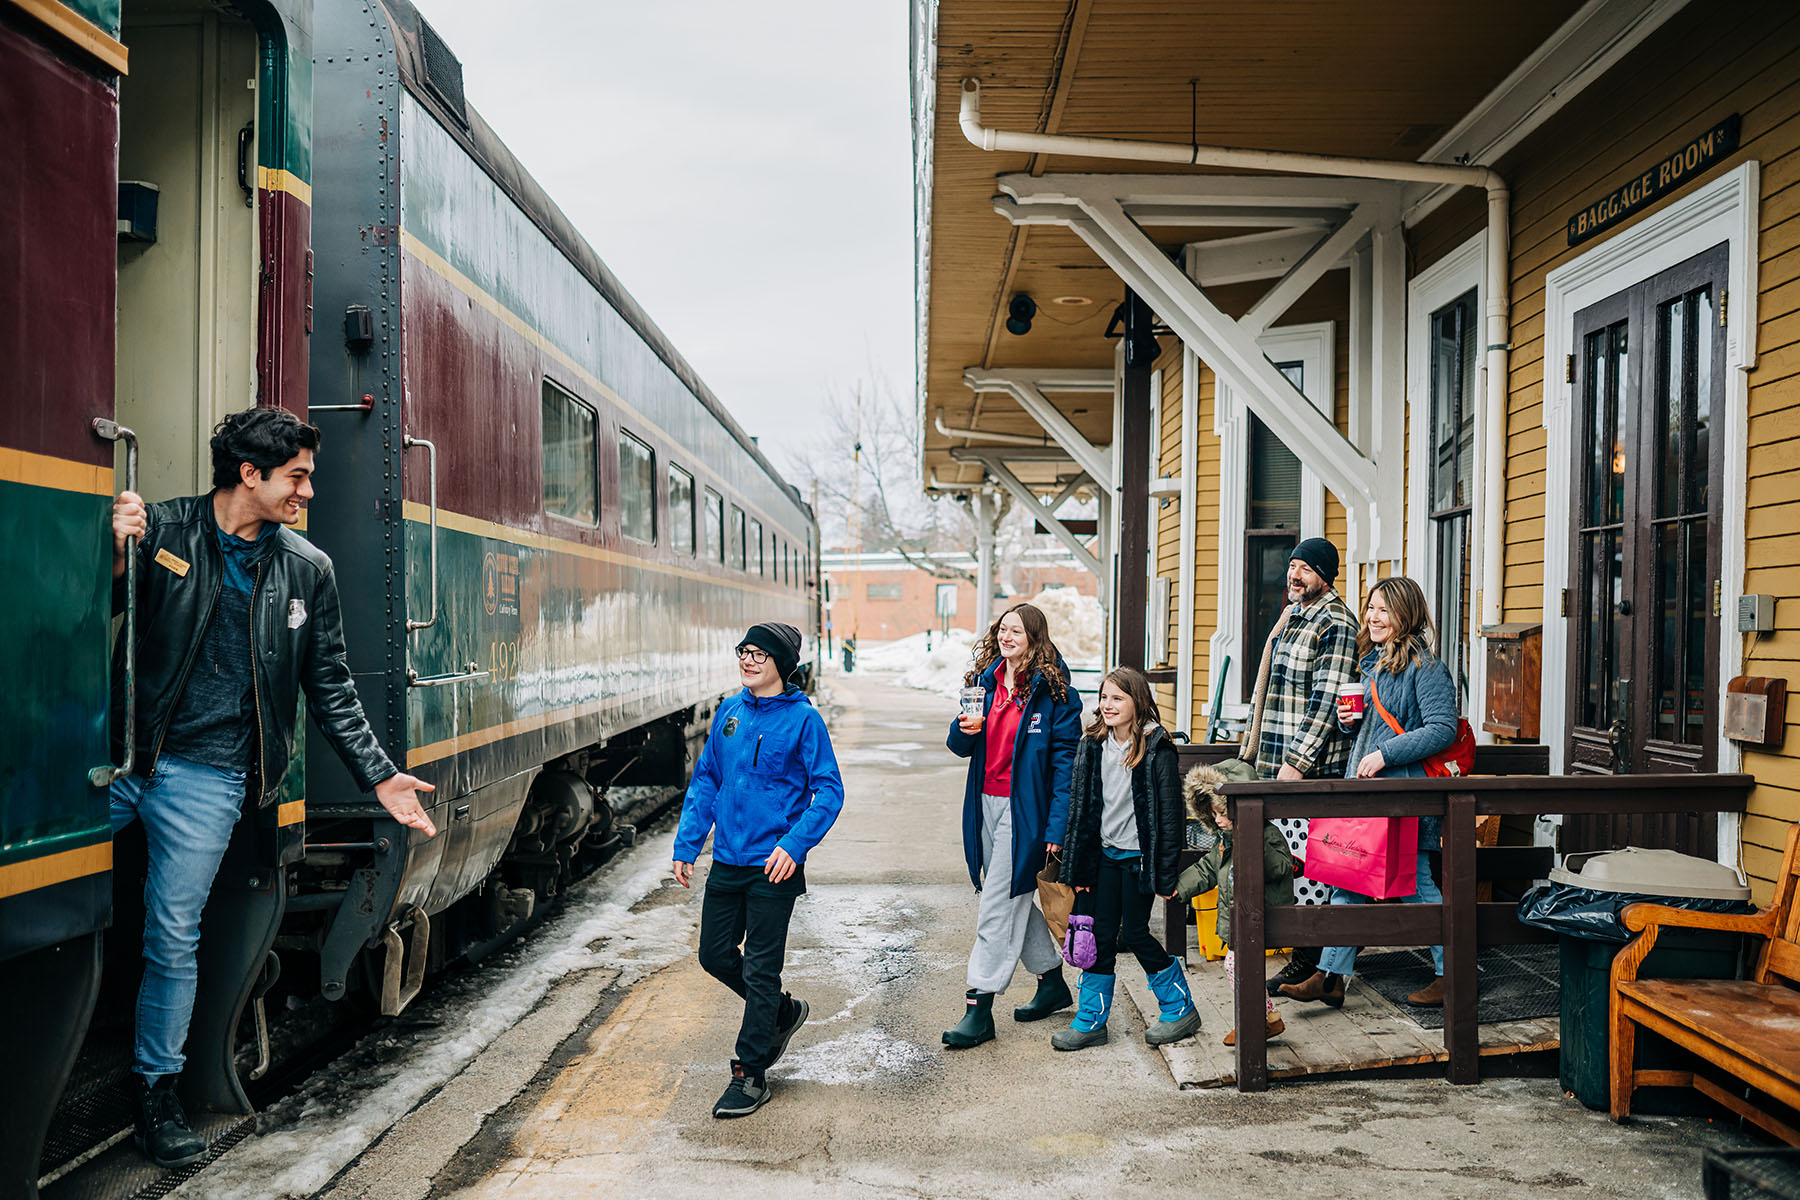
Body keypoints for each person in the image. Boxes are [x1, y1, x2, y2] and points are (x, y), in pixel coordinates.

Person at [108, 408, 437, 1167]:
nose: (308, 492)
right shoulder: (163, 530)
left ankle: (156, 1095)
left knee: (171, 936)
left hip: (209, 777)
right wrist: (118, 560)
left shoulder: (306, 569)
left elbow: (331, 685)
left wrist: (380, 774)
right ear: (249, 474)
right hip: (117, 761)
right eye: (298, 477)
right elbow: (88, 612)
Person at [671, 621, 844, 1119]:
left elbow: (829, 791)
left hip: (774, 864)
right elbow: (707, 779)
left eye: (759, 654)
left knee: (762, 969)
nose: (747, 660)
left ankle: (750, 1074)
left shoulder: (804, 720)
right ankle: (782, 1013)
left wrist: (794, 844)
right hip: (728, 857)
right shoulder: (730, 712)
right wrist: (689, 844)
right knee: (714, 955)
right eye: (744, 651)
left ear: (781, 665)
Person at [1280, 575, 1460, 1009]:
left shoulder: (1426, 667)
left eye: (1384, 610)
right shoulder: (1372, 663)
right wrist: (1350, 723)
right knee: (1348, 875)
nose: (1373, 617)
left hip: (1405, 795)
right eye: (1371, 608)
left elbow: (1443, 728)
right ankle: (1330, 976)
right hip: (1369, 792)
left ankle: (1452, 975)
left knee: (1417, 882)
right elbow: (1375, 728)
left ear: (1405, 615)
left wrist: (1384, 753)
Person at [943, 603, 1082, 1048]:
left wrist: (1057, 828)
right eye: (1003, 629)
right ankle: (1051, 981)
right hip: (984, 803)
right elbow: (957, 745)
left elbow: (1066, 768)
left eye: (1017, 631)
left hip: (1025, 813)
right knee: (1013, 896)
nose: (1007, 637)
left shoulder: (1055, 693)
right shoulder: (984, 684)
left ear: (1034, 637)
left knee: (998, 904)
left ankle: (978, 1007)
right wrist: (965, 729)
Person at [1052, 667, 1198, 1050]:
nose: (1108, 704)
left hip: (1138, 861)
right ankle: (1090, 1021)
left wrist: (1165, 874)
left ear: (1138, 701)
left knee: (1134, 932)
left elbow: (1170, 816)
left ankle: (1179, 1008)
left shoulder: (1155, 747)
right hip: (1103, 858)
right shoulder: (1093, 744)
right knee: (1099, 937)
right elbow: (1080, 810)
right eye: (1104, 697)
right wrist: (1079, 867)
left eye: (1117, 698)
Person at [1243, 536, 1358, 998]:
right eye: (1292, 565)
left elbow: (1326, 701)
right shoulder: (1293, 616)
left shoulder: (1335, 622)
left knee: (1313, 870)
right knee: (1293, 865)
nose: (1294, 574)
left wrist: (1297, 761)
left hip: (1311, 771)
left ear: (1324, 577)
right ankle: (1312, 965)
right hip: (1277, 763)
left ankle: (1311, 965)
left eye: (1305, 568)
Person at [1175, 761, 1295, 1046]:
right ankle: (1266, 1018)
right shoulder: (1225, 840)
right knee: (1238, 967)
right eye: (1213, 814)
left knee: (1236, 966)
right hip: (1242, 920)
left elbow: (1282, 867)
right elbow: (1207, 869)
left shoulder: (1267, 834)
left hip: (1263, 917)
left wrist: (1253, 841)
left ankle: (1258, 1020)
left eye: (1221, 812)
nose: (1217, 819)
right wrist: (1178, 888)